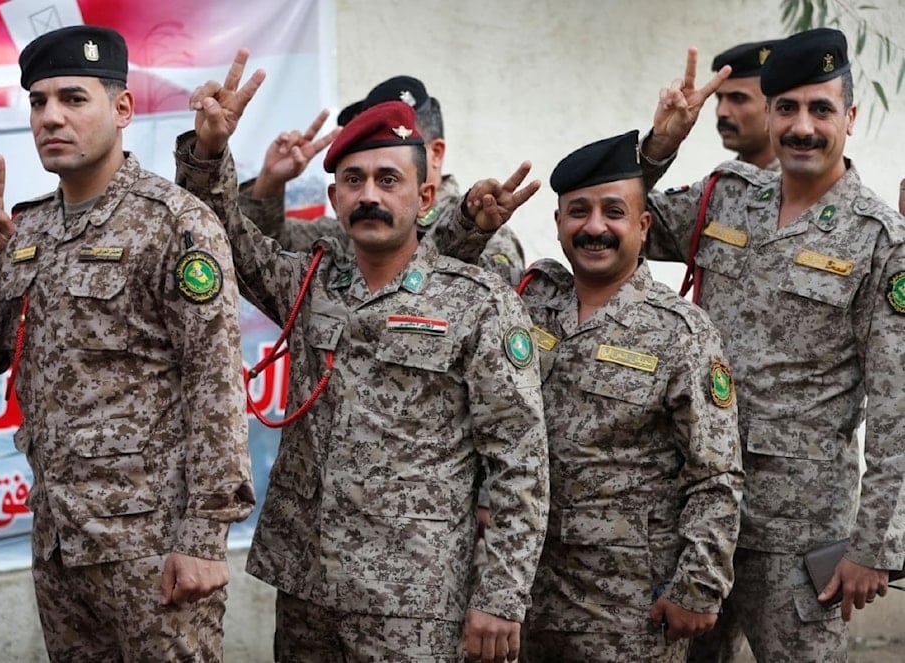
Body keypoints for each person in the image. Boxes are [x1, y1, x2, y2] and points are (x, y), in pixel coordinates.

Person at [175, 49, 550, 663]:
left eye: (388, 180)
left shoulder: (477, 302)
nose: (369, 195)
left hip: (416, 597)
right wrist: (209, 152)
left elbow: (520, 461)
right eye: (354, 181)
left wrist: (502, 596)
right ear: (334, 196)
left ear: (426, 194)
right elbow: (225, 238)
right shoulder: (308, 281)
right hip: (308, 590)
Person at [0, 25, 254, 662]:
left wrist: (203, 536)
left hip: (153, 546)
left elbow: (216, 382)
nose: (51, 117)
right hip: (60, 539)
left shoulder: (175, 222)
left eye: (73, 99)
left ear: (122, 109)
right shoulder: (24, 229)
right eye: (38, 102)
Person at [641, 29, 905, 662]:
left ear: (850, 116)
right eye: (787, 108)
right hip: (695, 510)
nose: (803, 127)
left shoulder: (880, 240)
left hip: (798, 531)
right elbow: (623, 223)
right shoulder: (726, 196)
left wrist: (877, 546)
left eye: (821, 109)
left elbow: (899, 406)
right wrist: (659, 146)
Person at [434, 129, 744, 662]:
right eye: (578, 211)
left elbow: (715, 474)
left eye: (613, 212)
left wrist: (698, 585)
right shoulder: (529, 301)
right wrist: (468, 228)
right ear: (557, 224)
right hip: (523, 592)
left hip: (626, 610)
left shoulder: (682, 333)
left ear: (643, 226)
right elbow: (430, 285)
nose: (594, 227)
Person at [233, 74, 527, 272]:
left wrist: (468, 231)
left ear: (434, 154)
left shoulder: (486, 230)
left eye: (397, 141)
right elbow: (261, 256)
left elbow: (485, 300)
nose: (370, 194)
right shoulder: (349, 226)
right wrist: (270, 183)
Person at [710, 40, 780, 170]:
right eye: (719, 98)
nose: (721, 111)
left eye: (738, 98)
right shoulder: (721, 182)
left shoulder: (803, 184)